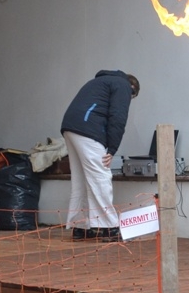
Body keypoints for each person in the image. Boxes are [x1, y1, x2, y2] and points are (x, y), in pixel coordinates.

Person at [60, 70, 139, 241]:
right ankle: (110, 227)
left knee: (81, 179)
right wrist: (112, 149)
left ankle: (80, 226)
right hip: (88, 129)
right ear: (132, 88)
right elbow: (118, 117)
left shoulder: (101, 81)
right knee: (100, 176)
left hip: (70, 127)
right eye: (132, 97)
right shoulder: (123, 85)